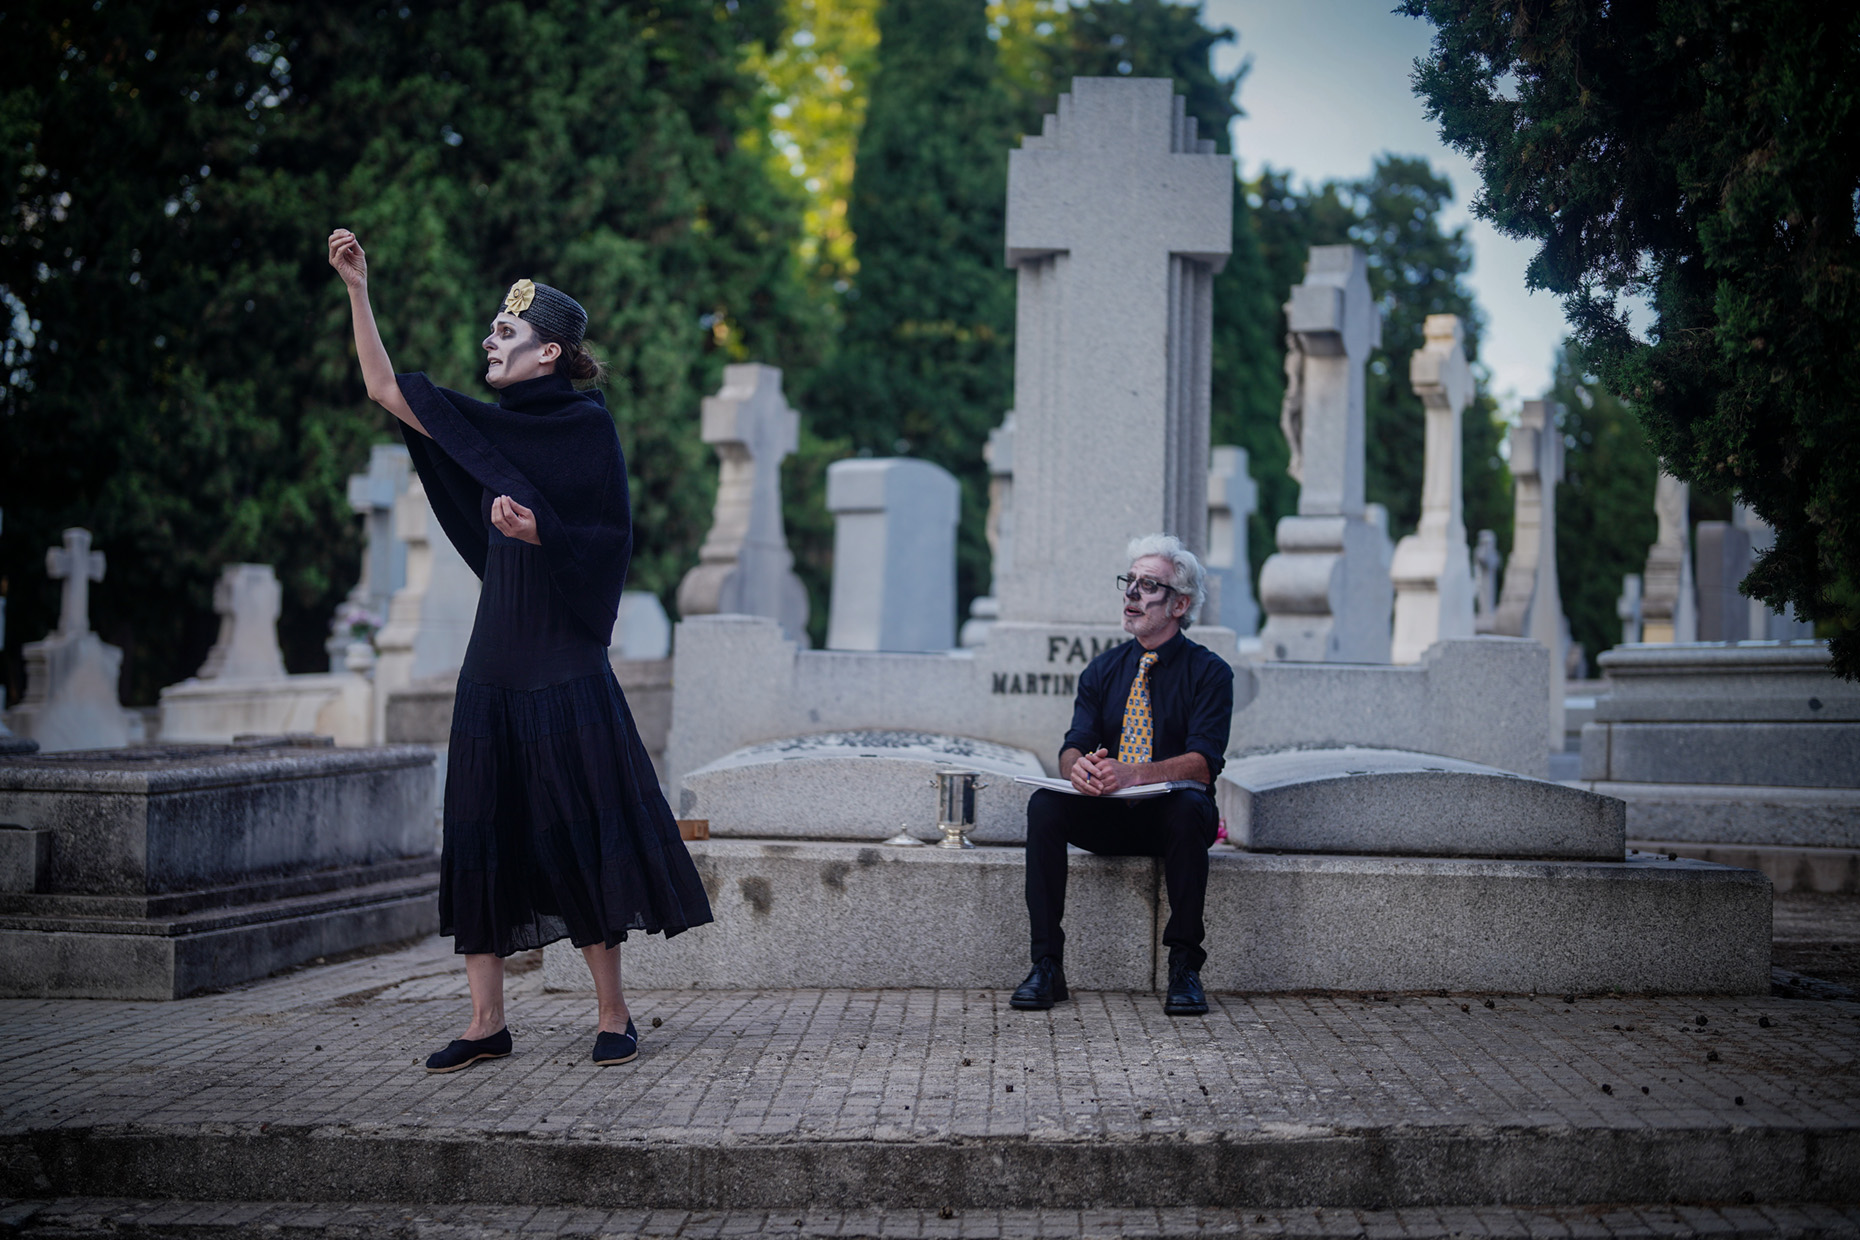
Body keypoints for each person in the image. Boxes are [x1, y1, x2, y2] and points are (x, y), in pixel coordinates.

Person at [328, 228, 712, 1073]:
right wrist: (358, 289)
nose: (489, 344)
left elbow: (611, 543)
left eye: (505, 336)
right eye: (493, 333)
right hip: (494, 663)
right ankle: (485, 1021)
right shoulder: (485, 429)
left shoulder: (586, 432)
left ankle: (613, 1013)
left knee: (579, 832)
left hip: (565, 665)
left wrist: (546, 531)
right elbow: (385, 387)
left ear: (550, 353)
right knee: (482, 830)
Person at [1011, 535, 1234, 1017]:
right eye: (1129, 582)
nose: (1131, 594)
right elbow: (1073, 743)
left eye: (1148, 585)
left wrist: (1134, 773)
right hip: (1109, 818)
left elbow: (1204, 761)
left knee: (1190, 804)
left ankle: (1184, 966)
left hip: (1171, 822)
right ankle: (1046, 966)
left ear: (1180, 604)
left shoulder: (1211, 673)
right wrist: (1080, 770)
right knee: (1045, 806)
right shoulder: (1102, 670)